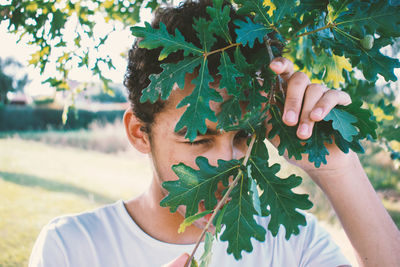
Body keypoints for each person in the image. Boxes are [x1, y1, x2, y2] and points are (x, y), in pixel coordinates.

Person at [29, 1, 400, 266]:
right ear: (140, 132)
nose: (229, 165)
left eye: (243, 137)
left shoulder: (292, 241)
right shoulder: (70, 248)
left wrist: (339, 170)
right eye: (199, 139)